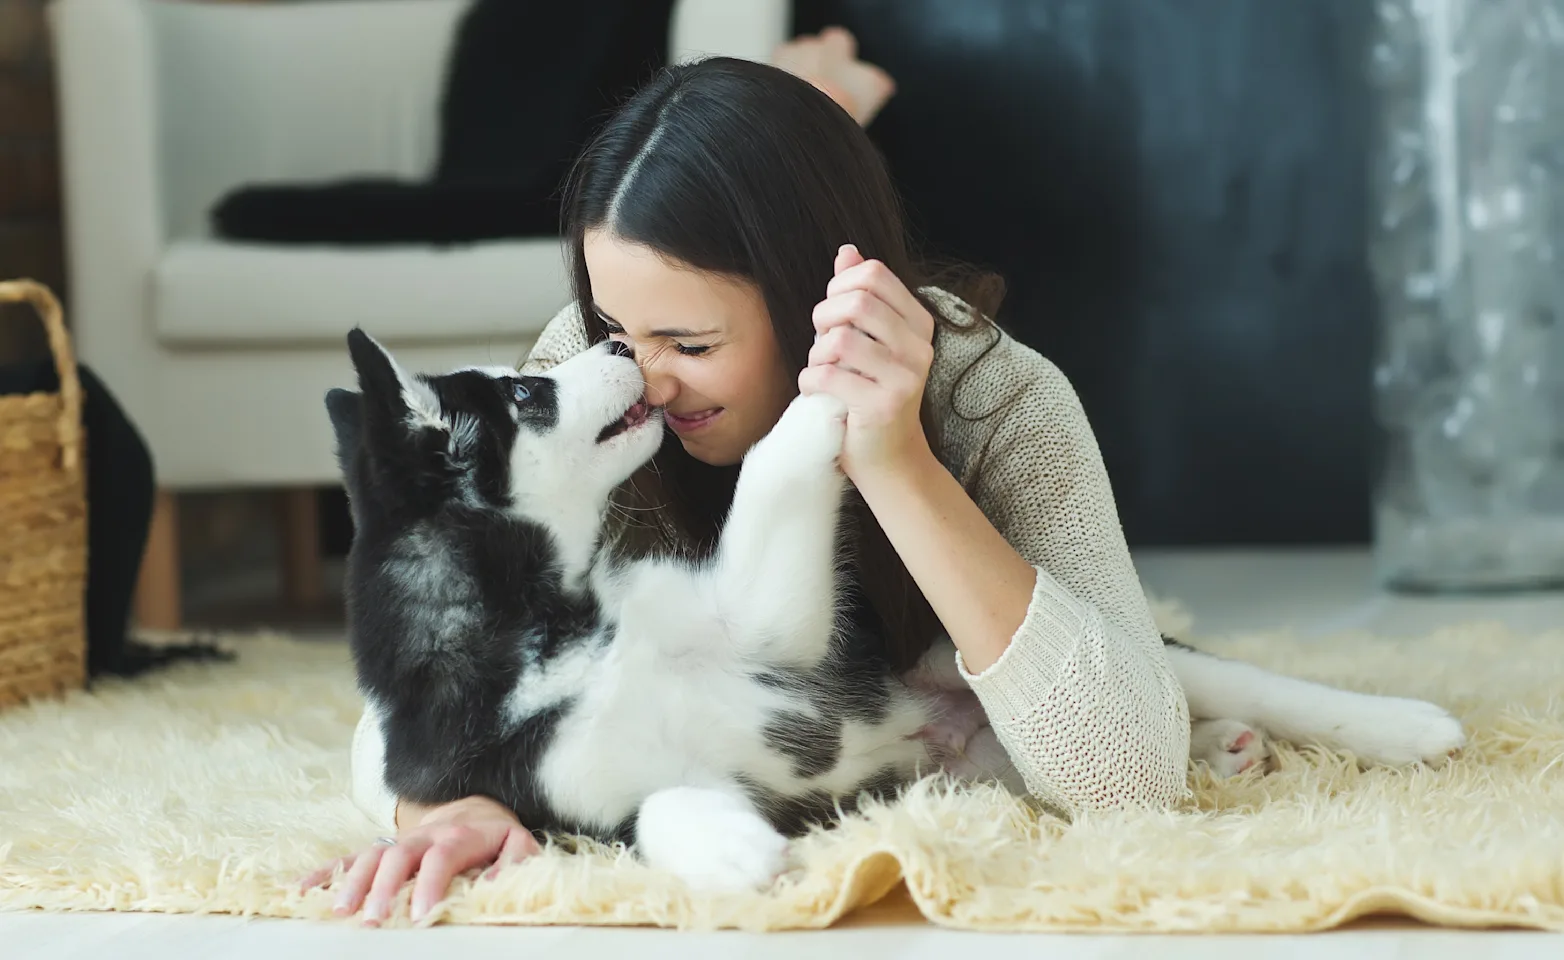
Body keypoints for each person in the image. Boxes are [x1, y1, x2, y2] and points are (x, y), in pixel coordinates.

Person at [307, 41, 1190, 927]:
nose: (643, 377)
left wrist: (894, 460)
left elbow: (1132, 775)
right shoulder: (593, 380)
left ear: (814, 299)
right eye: (614, 324)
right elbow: (422, 685)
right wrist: (449, 806)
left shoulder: (993, 395)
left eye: (691, 347)